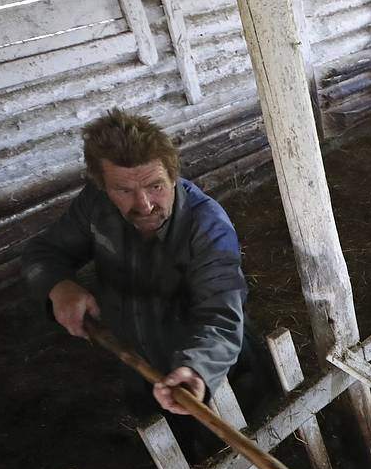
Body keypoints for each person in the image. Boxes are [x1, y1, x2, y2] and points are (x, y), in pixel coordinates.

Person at [23, 108, 270, 446]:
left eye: (155, 186)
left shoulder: (207, 225)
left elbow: (222, 312)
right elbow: (44, 252)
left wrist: (198, 368)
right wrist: (58, 286)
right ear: (101, 184)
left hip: (213, 361)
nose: (144, 205)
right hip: (137, 360)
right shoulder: (95, 206)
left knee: (246, 432)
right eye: (123, 190)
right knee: (174, 447)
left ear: (173, 175)